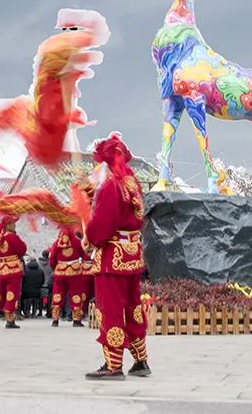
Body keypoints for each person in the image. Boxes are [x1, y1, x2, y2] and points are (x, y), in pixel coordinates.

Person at [84, 134, 151, 380]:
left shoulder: (110, 186)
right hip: (132, 256)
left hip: (112, 258)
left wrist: (89, 235)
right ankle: (141, 360)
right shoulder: (132, 183)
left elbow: (101, 226)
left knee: (110, 309)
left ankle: (113, 365)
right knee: (133, 308)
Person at [0, 216, 26, 329]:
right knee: (12, 293)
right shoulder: (14, 238)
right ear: (8, 225)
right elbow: (22, 250)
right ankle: (9, 319)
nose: (15, 226)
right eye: (13, 224)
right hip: (13, 269)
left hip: (1, 270)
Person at [49, 225, 87, 326]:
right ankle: (76, 320)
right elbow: (84, 254)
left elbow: (52, 260)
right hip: (74, 272)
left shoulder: (56, 243)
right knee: (75, 294)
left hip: (60, 272)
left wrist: (56, 267)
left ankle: (55, 320)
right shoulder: (77, 242)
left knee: (57, 294)